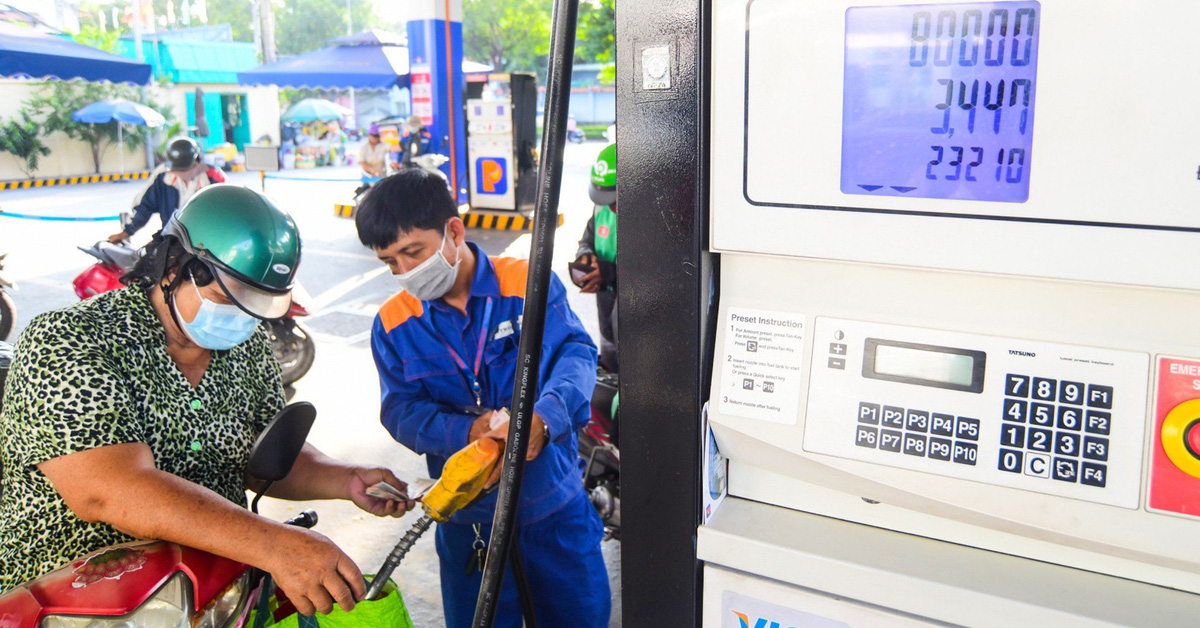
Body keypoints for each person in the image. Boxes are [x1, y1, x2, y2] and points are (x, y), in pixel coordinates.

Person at [0, 185, 416, 615]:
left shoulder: (247, 346)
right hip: (74, 606)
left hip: (211, 600)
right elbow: (109, 491)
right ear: (175, 265)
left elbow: (261, 457)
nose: (244, 317)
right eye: (228, 298)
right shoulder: (70, 340)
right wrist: (274, 544)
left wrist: (344, 478)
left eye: (257, 305)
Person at [356, 170, 610, 627]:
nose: (406, 271)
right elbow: (400, 409)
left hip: (552, 510)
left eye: (413, 252)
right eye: (390, 262)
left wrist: (544, 417)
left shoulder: (526, 284)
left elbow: (574, 355)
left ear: (454, 230)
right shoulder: (393, 323)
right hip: (468, 522)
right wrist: (468, 431)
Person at [108, 136, 224, 244]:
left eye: (187, 169)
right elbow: (144, 206)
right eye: (179, 171)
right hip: (172, 240)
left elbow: (227, 211)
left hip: (207, 241)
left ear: (197, 161)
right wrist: (127, 232)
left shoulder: (214, 176)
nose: (183, 174)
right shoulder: (163, 176)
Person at [574, 143, 619, 372]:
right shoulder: (601, 208)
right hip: (606, 306)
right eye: (605, 201)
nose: (610, 208)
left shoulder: (652, 216)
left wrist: (610, 272)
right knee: (611, 363)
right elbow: (587, 240)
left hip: (635, 319)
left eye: (614, 201)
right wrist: (586, 257)